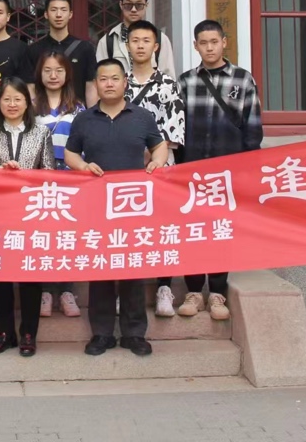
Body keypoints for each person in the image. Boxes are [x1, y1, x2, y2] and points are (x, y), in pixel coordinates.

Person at [65, 59, 167, 358]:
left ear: (125, 82)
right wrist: (83, 166)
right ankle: (102, 333)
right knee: (101, 269)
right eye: (103, 79)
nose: (108, 83)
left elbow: (159, 145)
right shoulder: (84, 119)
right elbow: (71, 153)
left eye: (114, 78)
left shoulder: (142, 116)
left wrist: (157, 162)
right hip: (96, 206)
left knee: (133, 269)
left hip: (133, 206)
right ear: (95, 84)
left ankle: (134, 334)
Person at [169, 19, 263, 321]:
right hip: (192, 172)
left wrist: (248, 171)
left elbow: (253, 128)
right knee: (193, 231)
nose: (209, 48)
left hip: (228, 173)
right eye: (203, 43)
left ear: (224, 42)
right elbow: (176, 130)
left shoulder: (243, 80)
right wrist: (179, 169)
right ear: (195, 46)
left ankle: (218, 293)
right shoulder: (185, 82)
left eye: (214, 42)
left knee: (221, 231)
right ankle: (194, 292)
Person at [0, 78, 55, 357]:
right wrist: (1, 170)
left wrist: (25, 176)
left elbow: (49, 172)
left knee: (30, 275)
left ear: (27, 103)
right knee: (0, 275)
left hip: (31, 214)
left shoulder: (41, 133)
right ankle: (5, 332)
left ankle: (29, 333)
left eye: (17, 99)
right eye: (6, 99)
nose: (12, 104)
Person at [121, 21, 187, 319]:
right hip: (124, 166)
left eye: (146, 40)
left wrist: (153, 153)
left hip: (161, 166)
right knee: (126, 229)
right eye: (135, 40)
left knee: (163, 227)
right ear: (127, 45)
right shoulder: (119, 82)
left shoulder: (168, 84)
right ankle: (126, 291)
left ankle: (164, 288)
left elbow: (175, 129)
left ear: (156, 46)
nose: (140, 45)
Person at [31, 50, 84, 318]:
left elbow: (85, 143)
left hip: (70, 177)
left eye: (59, 70)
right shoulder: (31, 106)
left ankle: (66, 291)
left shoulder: (79, 107)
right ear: (39, 74)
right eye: (48, 70)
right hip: (39, 178)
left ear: (67, 74)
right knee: (41, 236)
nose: (53, 75)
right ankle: (44, 291)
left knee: (66, 236)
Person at [95, 0, 176, 79]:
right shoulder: (108, 41)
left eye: (139, 5)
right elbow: (101, 78)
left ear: (146, 5)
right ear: (121, 5)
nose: (133, 9)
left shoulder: (160, 39)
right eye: (128, 5)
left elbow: (169, 78)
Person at [28, 0, 97, 106]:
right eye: (54, 10)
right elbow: (30, 86)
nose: (58, 15)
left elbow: (91, 86)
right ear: (46, 14)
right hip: (45, 113)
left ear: (70, 14)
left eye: (63, 10)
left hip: (77, 112)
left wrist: (90, 114)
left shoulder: (85, 48)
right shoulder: (34, 50)